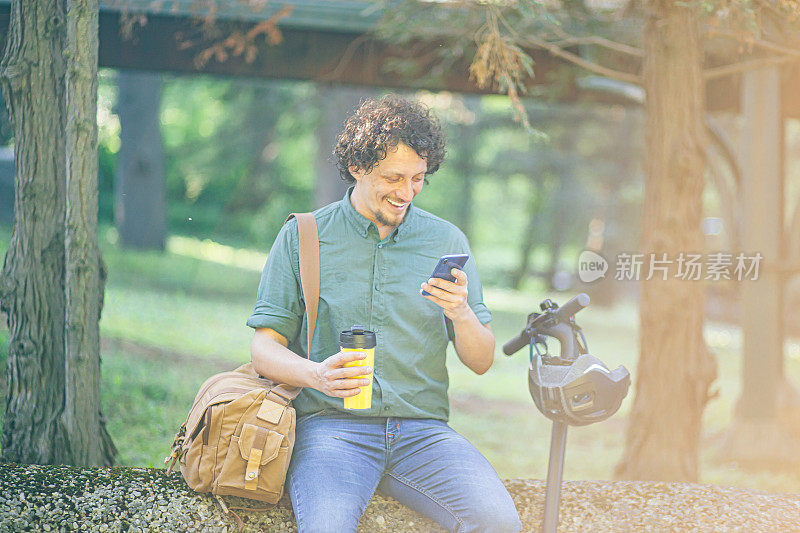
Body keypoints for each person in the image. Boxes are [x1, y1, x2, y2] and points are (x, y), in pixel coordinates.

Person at [247, 94, 522, 533]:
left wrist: (462, 313)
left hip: (423, 434)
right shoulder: (303, 236)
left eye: (418, 178)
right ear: (357, 166)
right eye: (393, 177)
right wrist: (316, 374)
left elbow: (482, 359)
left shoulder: (445, 240)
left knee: (499, 522)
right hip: (332, 428)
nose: (406, 192)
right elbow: (263, 349)